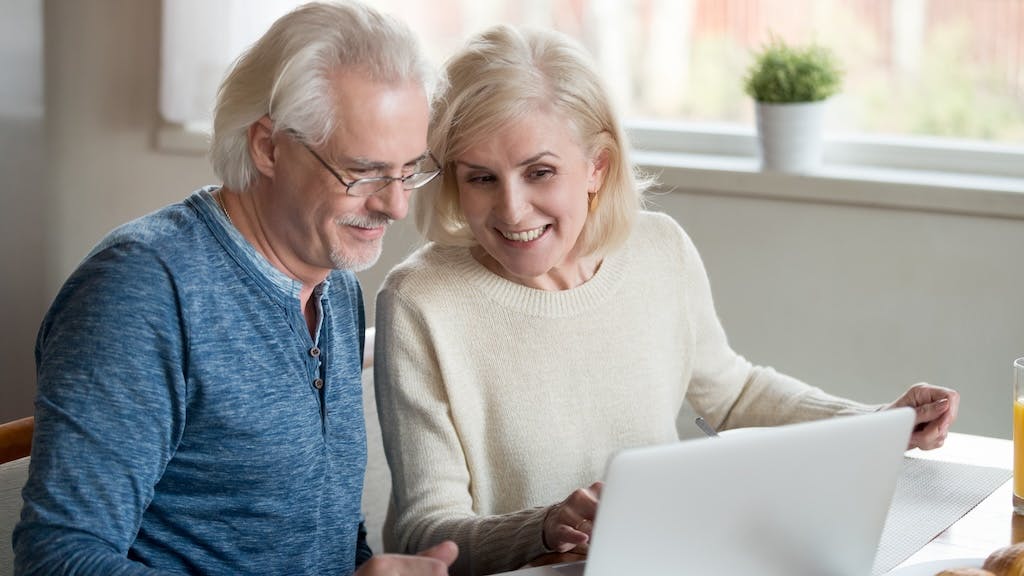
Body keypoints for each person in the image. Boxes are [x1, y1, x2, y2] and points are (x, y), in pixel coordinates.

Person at [372, 24, 960, 576]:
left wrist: (879, 423)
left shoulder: (659, 249)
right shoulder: (421, 301)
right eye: (481, 178)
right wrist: (546, 528)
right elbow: (427, 532)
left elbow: (734, 393)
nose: (511, 209)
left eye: (540, 172)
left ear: (596, 166)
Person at [14, 2, 458, 574]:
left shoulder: (334, 286)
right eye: (364, 172)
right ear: (269, 147)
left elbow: (326, 538)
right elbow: (57, 560)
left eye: (408, 171)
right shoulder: (142, 291)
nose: (395, 205)